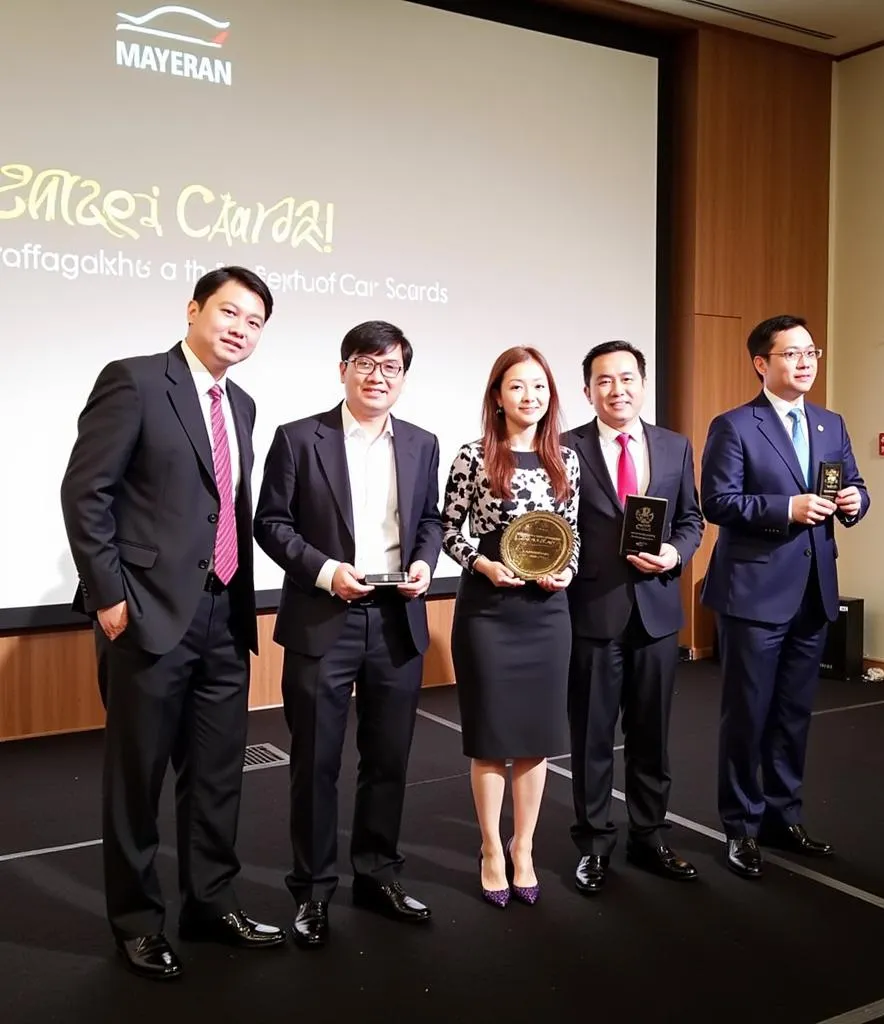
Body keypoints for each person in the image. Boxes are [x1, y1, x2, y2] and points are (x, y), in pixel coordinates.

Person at [59, 266, 283, 980]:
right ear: (193, 309)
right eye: (229, 312)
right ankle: (135, 921)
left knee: (218, 776)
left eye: (254, 321)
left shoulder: (241, 404)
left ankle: (210, 905)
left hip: (224, 613)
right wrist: (109, 598)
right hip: (147, 614)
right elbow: (84, 491)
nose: (240, 329)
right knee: (136, 781)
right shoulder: (133, 380)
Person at [253, 320, 442, 948]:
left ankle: (377, 875)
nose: (377, 376)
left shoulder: (422, 442)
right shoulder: (298, 438)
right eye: (366, 363)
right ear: (343, 369)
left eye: (391, 367)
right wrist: (327, 571)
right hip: (323, 617)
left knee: (388, 760)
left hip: (395, 617)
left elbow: (431, 520)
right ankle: (311, 890)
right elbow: (271, 524)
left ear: (403, 378)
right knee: (315, 762)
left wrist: (423, 560)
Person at [700, 314, 869, 879]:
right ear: (761, 363)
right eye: (792, 353)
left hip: (814, 589)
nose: (805, 362)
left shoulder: (830, 423)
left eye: (811, 352)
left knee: (794, 714)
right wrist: (785, 510)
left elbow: (859, 486)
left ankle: (782, 816)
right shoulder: (735, 425)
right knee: (747, 714)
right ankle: (741, 827)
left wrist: (853, 503)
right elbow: (717, 503)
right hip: (754, 592)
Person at [562, 341, 704, 895]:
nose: (616, 390)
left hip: (658, 611)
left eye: (626, 379)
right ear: (587, 391)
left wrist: (674, 554)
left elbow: (691, 519)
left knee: (652, 736)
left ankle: (650, 836)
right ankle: (594, 846)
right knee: (592, 736)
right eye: (604, 381)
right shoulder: (565, 447)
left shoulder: (673, 445)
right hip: (592, 612)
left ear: (643, 383)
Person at [442, 347, 579, 908]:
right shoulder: (473, 456)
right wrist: (483, 563)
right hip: (489, 610)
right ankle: (492, 850)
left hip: (547, 614)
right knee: (492, 741)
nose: (531, 397)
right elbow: (450, 530)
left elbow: (573, 532)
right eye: (519, 387)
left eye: (541, 388)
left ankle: (524, 848)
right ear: (497, 396)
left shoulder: (565, 460)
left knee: (535, 741)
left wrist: (566, 570)